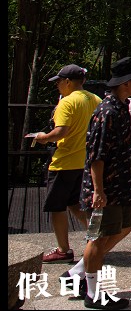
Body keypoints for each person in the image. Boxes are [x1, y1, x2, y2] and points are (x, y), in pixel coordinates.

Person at [70, 56, 131, 309]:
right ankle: (93, 292)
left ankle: (79, 271)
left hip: (119, 185)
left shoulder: (123, 106)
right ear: (126, 83)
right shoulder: (107, 111)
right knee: (97, 236)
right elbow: (97, 154)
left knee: (123, 227)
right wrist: (98, 190)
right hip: (104, 188)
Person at [26, 64, 101, 264]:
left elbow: (60, 132)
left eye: (59, 82)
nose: (58, 85)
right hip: (85, 161)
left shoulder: (67, 103)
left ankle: (63, 249)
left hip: (64, 161)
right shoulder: (96, 99)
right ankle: (98, 239)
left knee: (57, 207)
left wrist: (42, 137)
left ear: (68, 82)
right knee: (76, 203)